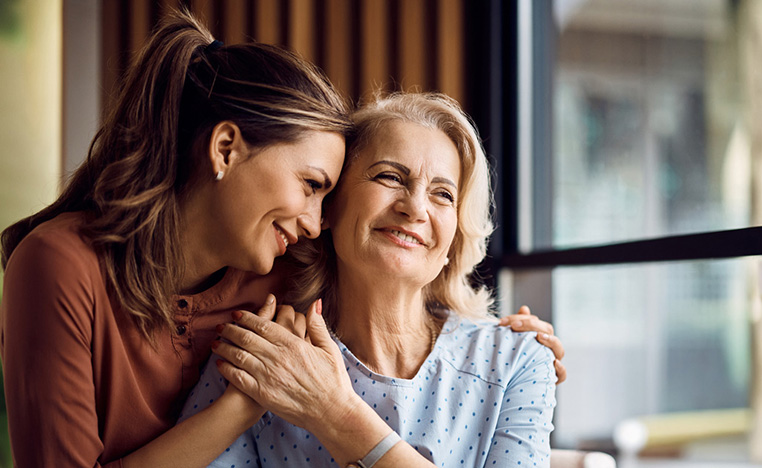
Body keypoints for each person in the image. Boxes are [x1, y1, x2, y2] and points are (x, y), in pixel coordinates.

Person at [0, 11, 563, 468]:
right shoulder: (63, 266)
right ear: (225, 149)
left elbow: (395, 275)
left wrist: (514, 344)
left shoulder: (281, 274)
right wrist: (243, 406)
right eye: (313, 186)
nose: (315, 223)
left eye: (444, 194)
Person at [181, 93, 557, 467]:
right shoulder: (261, 352)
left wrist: (334, 412)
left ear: (453, 241)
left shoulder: (516, 362)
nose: (415, 208)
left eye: (442, 194)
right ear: (329, 207)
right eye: (390, 176)